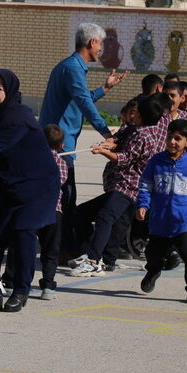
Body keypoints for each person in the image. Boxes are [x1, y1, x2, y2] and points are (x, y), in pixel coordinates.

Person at [0, 70, 59, 313]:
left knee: (22, 235)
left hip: (36, 186)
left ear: (9, 92)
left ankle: (20, 290)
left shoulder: (17, 118)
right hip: (8, 185)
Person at [39, 23, 127, 260]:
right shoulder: (72, 68)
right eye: (101, 44)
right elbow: (84, 104)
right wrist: (107, 134)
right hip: (59, 145)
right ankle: (61, 249)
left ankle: (62, 247)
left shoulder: (72, 67)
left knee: (66, 200)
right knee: (64, 201)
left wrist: (104, 88)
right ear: (92, 43)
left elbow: (80, 98)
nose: (101, 49)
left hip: (61, 143)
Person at [70, 94, 165, 277]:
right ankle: (88, 253)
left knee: (106, 217)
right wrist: (109, 142)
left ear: (142, 116)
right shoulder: (137, 129)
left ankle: (94, 262)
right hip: (119, 185)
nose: (132, 116)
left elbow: (125, 158)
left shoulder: (144, 136)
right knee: (82, 213)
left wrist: (102, 151)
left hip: (128, 187)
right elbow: (120, 137)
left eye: (136, 113)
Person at [136, 120, 187, 304]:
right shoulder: (156, 161)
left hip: (183, 222)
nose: (172, 142)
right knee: (153, 254)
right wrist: (142, 204)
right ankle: (153, 271)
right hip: (159, 221)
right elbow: (145, 185)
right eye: (169, 137)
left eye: (178, 139)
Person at [1, 123, 67, 300]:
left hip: (30, 209)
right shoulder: (61, 163)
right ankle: (48, 285)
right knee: (50, 250)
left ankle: (10, 280)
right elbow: (61, 181)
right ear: (61, 146)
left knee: (19, 245)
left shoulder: (30, 159)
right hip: (53, 210)